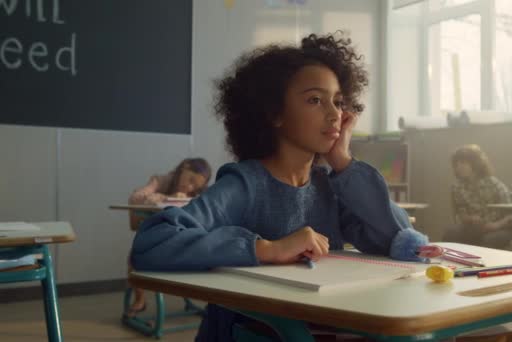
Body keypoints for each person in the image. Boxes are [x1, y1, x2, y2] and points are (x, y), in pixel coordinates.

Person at [131, 32, 431, 341]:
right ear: (274, 113)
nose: (334, 114)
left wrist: (342, 160)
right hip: (256, 333)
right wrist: (267, 249)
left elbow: (403, 245)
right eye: (315, 100)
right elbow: (152, 243)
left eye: (338, 102)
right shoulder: (245, 184)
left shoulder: (329, 187)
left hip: (324, 326)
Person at [126, 158, 212, 317]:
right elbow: (137, 197)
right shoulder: (161, 181)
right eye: (190, 179)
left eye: (195, 186)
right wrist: (166, 197)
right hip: (156, 236)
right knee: (134, 256)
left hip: (181, 239)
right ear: (185, 167)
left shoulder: (196, 193)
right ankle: (140, 299)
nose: (190, 186)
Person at [443, 144, 512, 249]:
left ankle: (486, 264)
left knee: (488, 240)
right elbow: (461, 214)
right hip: (474, 228)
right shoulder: (457, 187)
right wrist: (470, 219)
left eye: (463, 163)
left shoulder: (494, 184)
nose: (459, 167)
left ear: (475, 164)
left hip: (500, 228)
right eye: (456, 165)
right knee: (450, 234)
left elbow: (510, 215)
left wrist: (494, 226)